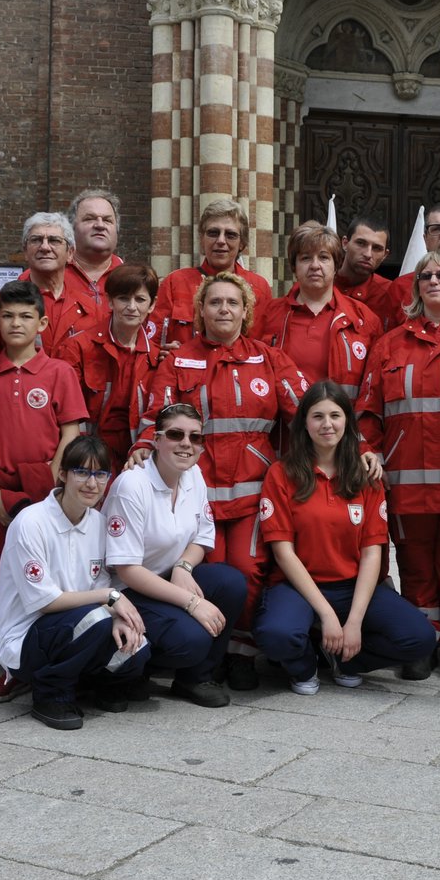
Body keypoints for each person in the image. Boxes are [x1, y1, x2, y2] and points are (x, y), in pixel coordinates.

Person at [134, 272, 310, 689]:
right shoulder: (179, 360)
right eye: (215, 302)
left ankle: (242, 653)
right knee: (207, 576)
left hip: (253, 492)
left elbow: (307, 412)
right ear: (201, 310)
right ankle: (207, 657)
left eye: (233, 303)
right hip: (199, 496)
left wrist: (351, 451)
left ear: (246, 311)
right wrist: (142, 446)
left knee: (248, 571)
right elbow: (156, 415)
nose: (224, 310)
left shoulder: (267, 358)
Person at [255, 381, 437, 693]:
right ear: (304, 424)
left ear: (347, 422)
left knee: (420, 638)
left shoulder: (366, 476)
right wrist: (326, 614)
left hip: (351, 586)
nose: (327, 424)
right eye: (317, 416)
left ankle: (348, 661)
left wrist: (353, 623)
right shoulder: (281, 474)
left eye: (335, 415)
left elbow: (372, 553)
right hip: (297, 586)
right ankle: (304, 664)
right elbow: (284, 552)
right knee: (275, 635)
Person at [356, 250, 440, 683]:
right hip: (405, 481)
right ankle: (423, 642)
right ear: (415, 287)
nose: (435, 281)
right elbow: (367, 413)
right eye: (426, 275)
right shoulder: (389, 345)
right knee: (414, 563)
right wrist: (368, 450)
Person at [0, 435, 151, 729]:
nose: (92, 483)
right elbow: (46, 601)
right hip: (26, 636)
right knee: (96, 622)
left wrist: (116, 614)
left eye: (101, 474)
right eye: (82, 472)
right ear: (63, 474)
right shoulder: (31, 523)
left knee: (137, 648)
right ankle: (50, 692)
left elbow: (101, 587)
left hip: (79, 624)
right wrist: (111, 598)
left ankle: (92, 683)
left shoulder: (99, 524)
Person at [104, 402, 248, 708]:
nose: (186, 444)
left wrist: (183, 566)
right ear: (156, 439)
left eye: (195, 437)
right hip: (128, 590)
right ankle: (131, 671)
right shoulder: (131, 485)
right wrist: (192, 603)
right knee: (191, 640)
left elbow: (202, 536)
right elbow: (127, 569)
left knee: (231, 583)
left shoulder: (193, 474)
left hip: (169, 576)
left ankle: (196, 678)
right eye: (175, 434)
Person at [0, 279, 87, 587]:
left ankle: (50, 631)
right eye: (7, 316)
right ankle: (8, 631)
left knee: (51, 559)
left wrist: (52, 481)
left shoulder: (59, 372)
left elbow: (70, 433)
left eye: (25, 316)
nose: (16, 323)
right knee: (6, 560)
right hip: (2, 484)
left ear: (41, 322)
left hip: (47, 483)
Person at [56, 263, 163, 472]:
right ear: (110, 301)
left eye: (140, 299)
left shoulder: (157, 357)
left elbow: (159, 413)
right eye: (123, 298)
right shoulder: (77, 348)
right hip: (85, 457)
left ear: (152, 305)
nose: (132, 307)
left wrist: (144, 445)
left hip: (138, 458)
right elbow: (65, 414)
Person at [256, 222, 379, 397]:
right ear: (294, 267)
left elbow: (373, 387)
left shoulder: (364, 318)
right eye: (306, 258)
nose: (315, 265)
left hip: (342, 422)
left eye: (323, 257)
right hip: (285, 423)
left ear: (336, 265)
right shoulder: (267, 314)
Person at [150, 199, 272, 349]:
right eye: (213, 233)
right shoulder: (175, 282)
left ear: (242, 243)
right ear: (202, 239)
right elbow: (152, 342)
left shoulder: (259, 287)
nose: (221, 240)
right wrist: (160, 353)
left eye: (230, 235)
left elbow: (263, 347)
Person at [12, 212, 96, 352]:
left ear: (70, 253)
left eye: (54, 240)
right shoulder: (3, 305)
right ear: (25, 251)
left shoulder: (90, 309)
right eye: (36, 240)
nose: (45, 247)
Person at [66, 189, 126, 311]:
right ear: (71, 228)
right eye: (89, 219)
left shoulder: (133, 279)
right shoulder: (45, 276)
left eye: (107, 220)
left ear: (117, 231)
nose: (100, 225)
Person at [335, 217, 395, 330]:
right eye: (361, 243)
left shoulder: (391, 294)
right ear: (345, 243)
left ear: (385, 255)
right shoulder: (322, 283)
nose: (368, 254)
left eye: (377, 248)